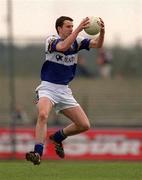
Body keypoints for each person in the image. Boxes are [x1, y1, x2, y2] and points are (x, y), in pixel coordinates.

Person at [26, 16, 105, 165]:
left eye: (72, 26)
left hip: (64, 91)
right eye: (68, 26)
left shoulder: (78, 40)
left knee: (84, 125)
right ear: (59, 29)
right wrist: (79, 28)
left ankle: (58, 137)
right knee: (43, 114)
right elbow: (62, 47)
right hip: (48, 88)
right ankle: (37, 152)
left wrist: (102, 32)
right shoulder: (50, 40)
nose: (71, 28)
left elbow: (97, 44)